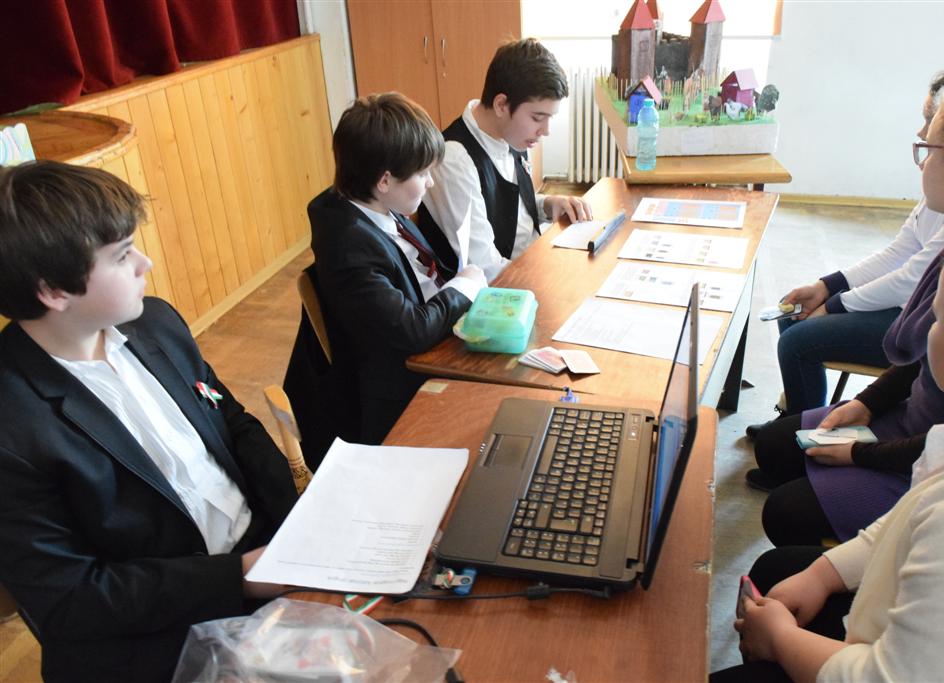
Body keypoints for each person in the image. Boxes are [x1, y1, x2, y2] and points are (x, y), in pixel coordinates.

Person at [0, 161, 298, 683]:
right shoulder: (12, 424)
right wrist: (241, 577)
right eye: (122, 256)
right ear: (54, 291)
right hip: (159, 634)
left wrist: (300, 521)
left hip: (264, 558)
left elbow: (232, 425)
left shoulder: (155, 322)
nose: (147, 262)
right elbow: (72, 598)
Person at [712, 213, 944, 683]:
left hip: (881, 661)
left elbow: (887, 676)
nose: (925, 331)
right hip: (891, 621)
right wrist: (824, 574)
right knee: (781, 569)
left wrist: (780, 640)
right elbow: (909, 518)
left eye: (938, 319)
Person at [747, 68, 944, 547]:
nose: (920, 156)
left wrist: (862, 455)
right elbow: (920, 361)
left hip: (929, 457)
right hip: (913, 419)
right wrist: (866, 402)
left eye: (928, 146)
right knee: (776, 448)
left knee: (785, 512)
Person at [747, 69, 944, 439]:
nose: (921, 132)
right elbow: (899, 252)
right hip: (906, 310)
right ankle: (796, 419)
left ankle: (802, 436)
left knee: (796, 339)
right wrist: (827, 287)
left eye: (929, 121)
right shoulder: (941, 194)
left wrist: (834, 305)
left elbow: (910, 280)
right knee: (793, 314)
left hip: (911, 324)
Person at [284, 92, 487, 456]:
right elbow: (411, 331)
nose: (430, 183)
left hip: (421, 348)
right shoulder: (349, 247)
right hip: (392, 392)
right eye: (422, 174)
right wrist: (464, 288)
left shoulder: (375, 203)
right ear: (384, 180)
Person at [417, 38, 593, 281]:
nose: (545, 131)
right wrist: (553, 274)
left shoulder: (511, 132)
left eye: (549, 118)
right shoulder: (455, 159)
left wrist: (547, 203)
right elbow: (484, 266)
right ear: (501, 105)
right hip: (501, 288)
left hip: (532, 260)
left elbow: (505, 205)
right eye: (537, 117)